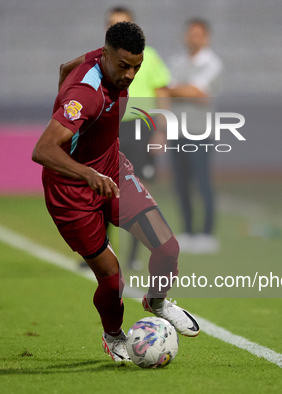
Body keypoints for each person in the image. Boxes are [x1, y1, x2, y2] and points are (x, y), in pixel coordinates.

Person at [33, 22, 199, 363]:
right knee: (112, 280)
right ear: (106, 55)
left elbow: (65, 67)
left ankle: (156, 301)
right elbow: (43, 150)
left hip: (112, 171)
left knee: (168, 249)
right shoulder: (85, 95)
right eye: (124, 66)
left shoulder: (103, 59)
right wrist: (84, 169)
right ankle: (113, 335)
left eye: (136, 66)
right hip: (71, 192)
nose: (130, 74)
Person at [105, 6, 171, 271]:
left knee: (138, 189)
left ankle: (133, 256)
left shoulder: (150, 57)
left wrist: (161, 130)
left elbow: (162, 91)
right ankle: (101, 253)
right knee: (105, 186)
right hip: (111, 127)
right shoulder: (103, 57)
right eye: (111, 24)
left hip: (139, 128)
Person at [165, 19, 223, 254]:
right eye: (190, 34)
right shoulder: (176, 61)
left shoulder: (213, 63)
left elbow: (199, 92)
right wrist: (182, 90)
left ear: (206, 37)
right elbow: (164, 89)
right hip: (176, 130)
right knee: (180, 184)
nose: (193, 38)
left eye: (198, 35)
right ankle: (188, 231)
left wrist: (176, 89)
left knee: (202, 183)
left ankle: (207, 234)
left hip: (200, 132)